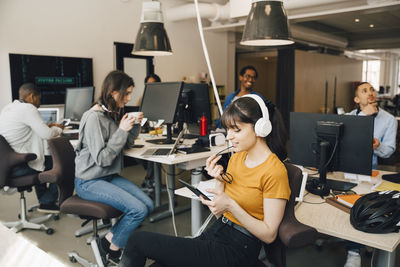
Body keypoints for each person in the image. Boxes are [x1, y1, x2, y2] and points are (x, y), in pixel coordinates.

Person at [119, 94, 291, 267]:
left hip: (238, 248)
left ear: (261, 128)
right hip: (217, 233)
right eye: (228, 130)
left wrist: (230, 205)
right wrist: (218, 180)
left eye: (236, 130)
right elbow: (220, 212)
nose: (229, 137)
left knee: (137, 240)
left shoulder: (274, 171)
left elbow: (269, 234)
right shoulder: (237, 158)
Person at [74, 70, 154, 264]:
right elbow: (103, 159)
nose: (128, 98)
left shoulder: (108, 115)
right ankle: (114, 248)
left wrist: (134, 125)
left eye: (130, 94)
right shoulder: (94, 118)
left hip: (107, 177)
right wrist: (121, 130)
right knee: (138, 210)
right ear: (112, 92)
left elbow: (125, 145)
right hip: (89, 181)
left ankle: (107, 241)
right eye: (125, 94)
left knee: (149, 205)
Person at [344, 82, 398, 267]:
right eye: (365, 91)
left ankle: (354, 249)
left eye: (372, 90)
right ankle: (354, 250)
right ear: (357, 99)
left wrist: (377, 146)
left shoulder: (389, 120)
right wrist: (362, 120)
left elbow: (389, 151)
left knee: (362, 206)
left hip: (371, 172)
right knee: (344, 206)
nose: (371, 93)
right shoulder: (348, 117)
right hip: (347, 170)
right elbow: (343, 143)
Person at [0, 83, 63, 213]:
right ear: (32, 96)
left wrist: (46, 125)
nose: (39, 103)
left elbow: (25, 129)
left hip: (5, 166)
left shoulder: (8, 108)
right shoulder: (29, 108)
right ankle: (48, 201)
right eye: (39, 99)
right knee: (62, 164)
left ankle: (45, 201)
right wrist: (58, 128)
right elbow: (47, 134)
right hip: (18, 168)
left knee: (44, 161)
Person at [138, 73, 161, 193]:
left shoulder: (164, 99)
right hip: (146, 131)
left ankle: (150, 178)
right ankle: (151, 177)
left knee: (152, 153)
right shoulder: (143, 98)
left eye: (153, 84)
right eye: (148, 84)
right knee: (139, 152)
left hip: (159, 131)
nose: (150, 87)